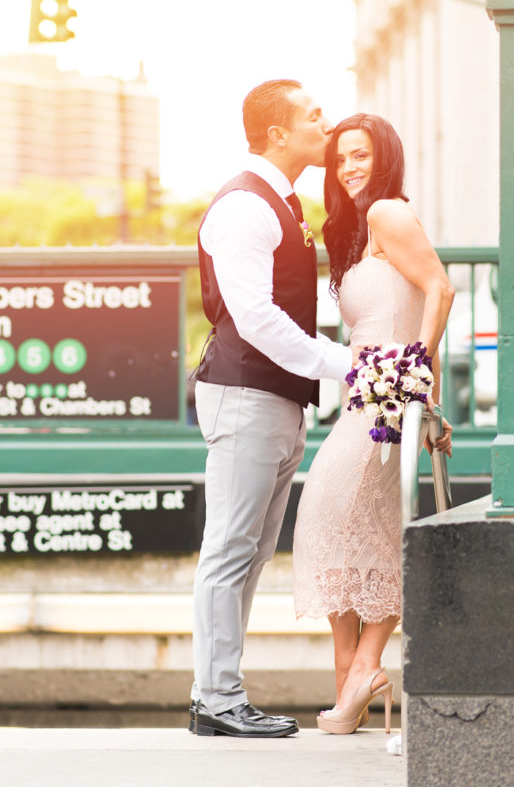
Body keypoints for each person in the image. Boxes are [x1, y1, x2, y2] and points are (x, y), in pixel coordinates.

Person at [189, 79, 353, 738]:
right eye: (313, 116)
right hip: (244, 395)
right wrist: (346, 363)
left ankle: (222, 695)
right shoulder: (244, 208)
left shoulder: (281, 204)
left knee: (250, 551)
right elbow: (253, 316)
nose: (326, 123)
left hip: (273, 400)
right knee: (230, 549)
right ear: (277, 134)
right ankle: (215, 700)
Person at [292, 112, 454, 735]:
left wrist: (419, 375)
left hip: (388, 400)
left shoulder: (388, 211)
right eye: (339, 159)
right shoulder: (356, 229)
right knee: (343, 527)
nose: (348, 168)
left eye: (360, 155)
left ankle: (365, 665)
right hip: (365, 397)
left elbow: (439, 288)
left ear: (383, 158)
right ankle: (348, 691)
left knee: (335, 514)